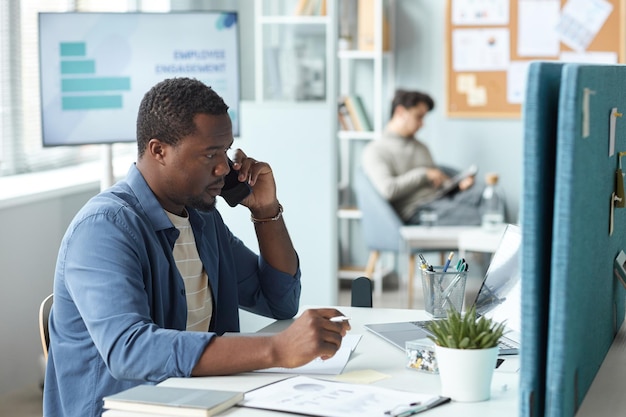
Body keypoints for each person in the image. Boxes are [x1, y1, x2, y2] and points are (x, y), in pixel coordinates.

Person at [43, 77, 350, 416]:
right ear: (158, 150)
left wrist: (266, 212)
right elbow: (129, 349)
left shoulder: (202, 219)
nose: (224, 167)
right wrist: (277, 348)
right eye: (209, 154)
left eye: (225, 151)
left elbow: (278, 301)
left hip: (200, 401)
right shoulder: (104, 228)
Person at [361, 89, 483, 225]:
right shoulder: (375, 150)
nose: (422, 124)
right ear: (400, 112)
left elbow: (438, 182)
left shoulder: (421, 147)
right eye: (418, 117)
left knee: (486, 200)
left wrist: (458, 186)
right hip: (418, 211)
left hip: (442, 202)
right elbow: (388, 189)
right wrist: (423, 174)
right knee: (479, 218)